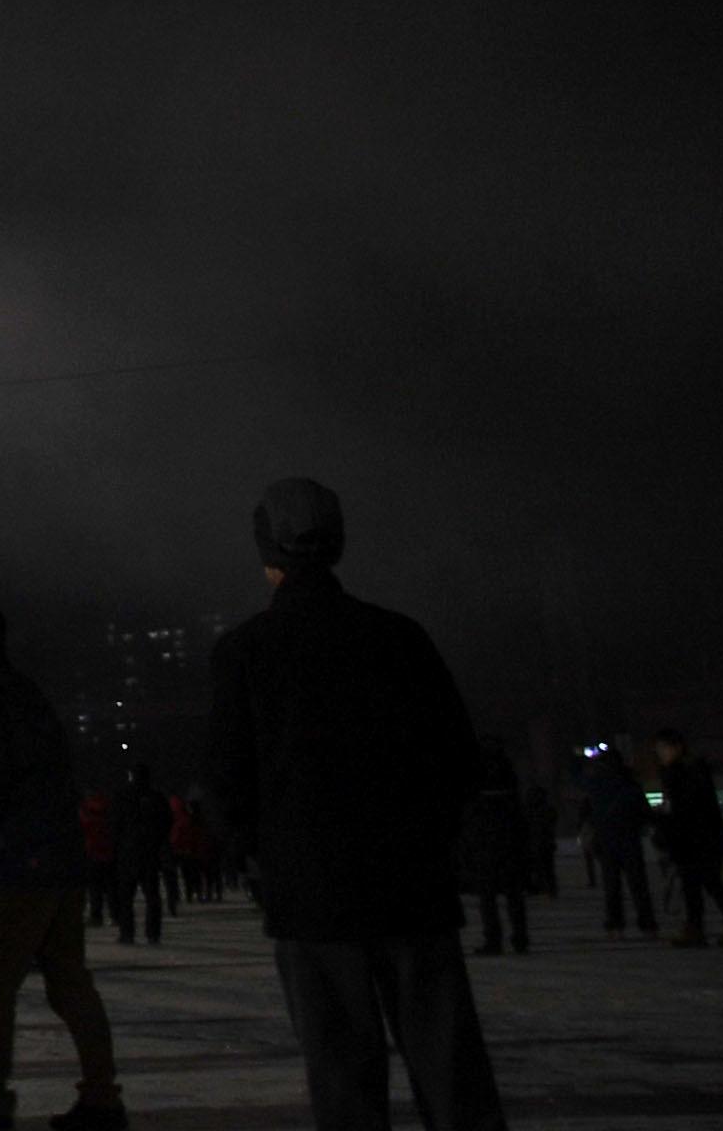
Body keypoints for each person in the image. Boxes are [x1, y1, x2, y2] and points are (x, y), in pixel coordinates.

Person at [208, 476, 501, 1131]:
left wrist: (253, 854)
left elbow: (226, 779)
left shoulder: (245, 652)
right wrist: (434, 839)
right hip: (412, 886)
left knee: (343, 1077)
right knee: (451, 1069)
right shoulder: (399, 637)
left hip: (310, 892)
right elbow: (458, 757)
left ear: (268, 555)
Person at [0, 598, 125, 1131]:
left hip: (23, 858)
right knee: (69, 981)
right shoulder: (27, 692)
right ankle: (103, 1099)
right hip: (61, 852)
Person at [648, 730, 723, 947]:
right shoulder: (684, 770)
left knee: (708, 883)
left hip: (697, 839)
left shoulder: (684, 771)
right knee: (696, 886)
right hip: (695, 838)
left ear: (676, 748)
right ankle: (701, 928)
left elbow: (687, 806)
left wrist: (664, 816)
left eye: (663, 749)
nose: (660, 754)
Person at [457, 738, 528, 958]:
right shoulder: (507, 780)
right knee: (513, 896)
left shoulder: (477, 784)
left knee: (488, 897)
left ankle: (494, 939)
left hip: (486, 845)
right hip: (507, 844)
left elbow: (470, 817)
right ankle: (519, 938)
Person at [579, 746, 654, 935]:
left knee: (612, 886)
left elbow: (587, 812)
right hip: (630, 839)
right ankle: (647, 923)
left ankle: (615, 922)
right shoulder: (630, 783)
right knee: (638, 885)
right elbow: (644, 812)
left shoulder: (596, 784)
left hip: (607, 840)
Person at [107, 764, 168, 947]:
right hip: (149, 851)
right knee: (152, 896)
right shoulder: (156, 797)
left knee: (126, 897)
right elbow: (166, 821)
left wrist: (117, 845)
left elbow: (114, 823)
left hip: (128, 852)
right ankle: (153, 933)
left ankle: (127, 933)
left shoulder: (122, 796)